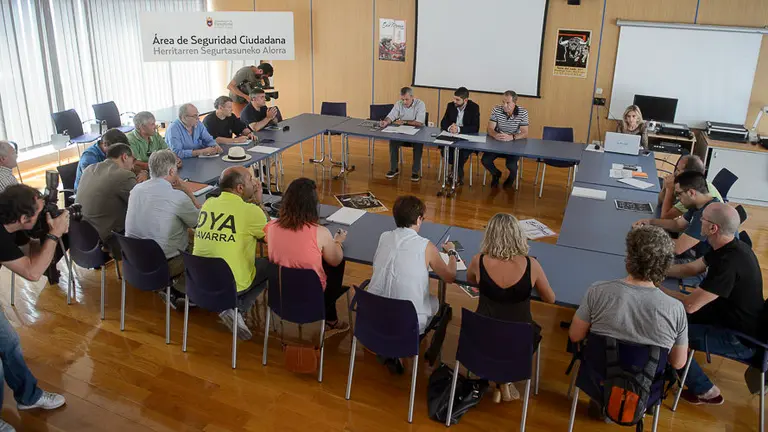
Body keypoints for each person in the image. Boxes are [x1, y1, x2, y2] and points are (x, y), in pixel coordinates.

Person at [569, 225, 689, 416]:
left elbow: (575, 336)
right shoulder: (675, 309)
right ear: (665, 266)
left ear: (628, 260)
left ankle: (605, 402)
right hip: (646, 387)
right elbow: (678, 363)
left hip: (598, 380)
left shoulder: (598, 291)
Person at [665, 203, 764, 405]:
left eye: (704, 219)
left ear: (713, 228)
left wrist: (657, 290)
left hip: (737, 337)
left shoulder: (730, 264)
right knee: (670, 318)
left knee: (666, 334)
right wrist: (655, 269)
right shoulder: (728, 247)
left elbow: (690, 305)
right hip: (724, 316)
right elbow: (691, 268)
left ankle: (705, 391)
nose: (699, 220)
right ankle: (671, 370)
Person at [0, 184, 70, 430]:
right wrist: (54, 235)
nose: (44, 215)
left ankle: (27, 398)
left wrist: (40, 233)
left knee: (9, 344)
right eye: (39, 213)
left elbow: (30, 257)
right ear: (22, 218)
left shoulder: (11, 223)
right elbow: (33, 272)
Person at [466, 213, 555, 402]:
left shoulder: (478, 260)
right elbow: (550, 299)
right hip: (518, 341)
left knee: (495, 335)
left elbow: (470, 279)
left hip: (483, 336)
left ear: (489, 235)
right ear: (518, 236)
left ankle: (499, 381)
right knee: (515, 334)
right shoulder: (532, 264)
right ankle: (503, 381)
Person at [264, 178, 350, 336]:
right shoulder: (320, 232)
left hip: (280, 294)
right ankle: (331, 319)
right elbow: (335, 260)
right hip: (312, 296)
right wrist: (337, 242)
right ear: (313, 205)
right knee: (338, 263)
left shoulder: (271, 228)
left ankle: (331, 318)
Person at [194, 166, 269, 340]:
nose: (255, 182)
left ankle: (231, 309)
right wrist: (258, 202)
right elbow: (270, 233)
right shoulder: (251, 211)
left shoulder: (208, 203)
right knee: (270, 265)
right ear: (240, 188)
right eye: (251, 179)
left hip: (200, 281)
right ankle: (238, 308)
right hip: (229, 283)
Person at [125, 150, 200, 309]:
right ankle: (179, 289)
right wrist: (186, 191)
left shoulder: (135, 190)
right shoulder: (177, 197)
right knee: (204, 246)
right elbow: (199, 222)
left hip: (134, 260)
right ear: (172, 171)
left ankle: (172, 286)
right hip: (163, 264)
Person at [77, 143, 146, 255]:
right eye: (133, 160)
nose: (133, 166)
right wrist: (144, 181)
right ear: (124, 157)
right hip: (108, 239)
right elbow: (143, 204)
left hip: (81, 236)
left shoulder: (90, 169)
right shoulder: (124, 176)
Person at [633, 171, 719, 257]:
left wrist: (645, 238)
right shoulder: (698, 204)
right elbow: (678, 224)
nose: (677, 198)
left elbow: (678, 248)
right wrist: (650, 222)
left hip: (699, 260)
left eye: (679, 194)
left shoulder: (708, 213)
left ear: (691, 193)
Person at [482, 91, 529, 188]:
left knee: (511, 165)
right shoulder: (496, 109)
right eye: (503, 102)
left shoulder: (523, 112)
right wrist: (495, 135)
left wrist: (512, 137)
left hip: (513, 143)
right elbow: (490, 128)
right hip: (498, 142)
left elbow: (525, 132)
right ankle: (496, 174)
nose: (504, 105)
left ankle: (512, 177)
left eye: (508, 103)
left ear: (514, 103)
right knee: (485, 160)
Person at [380, 87, 427, 182]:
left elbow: (419, 122)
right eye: (402, 99)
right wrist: (386, 122)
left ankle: (415, 172)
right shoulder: (399, 103)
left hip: (417, 132)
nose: (404, 102)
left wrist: (404, 121)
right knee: (393, 142)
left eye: (406, 99)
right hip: (402, 132)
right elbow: (391, 116)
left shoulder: (420, 104)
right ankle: (394, 169)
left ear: (412, 97)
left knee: (418, 145)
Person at [658, 155, 722, 220]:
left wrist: (669, 190)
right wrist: (665, 187)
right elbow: (660, 202)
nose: (675, 173)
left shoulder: (690, 193)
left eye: (678, 170)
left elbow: (664, 217)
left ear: (688, 175)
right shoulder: (689, 183)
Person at [439, 87, 480, 184]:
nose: (454, 101)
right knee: (447, 150)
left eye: (457, 100)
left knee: (462, 153)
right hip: (451, 136)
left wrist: (459, 129)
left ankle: (455, 175)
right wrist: (450, 128)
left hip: (466, 138)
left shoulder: (474, 107)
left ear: (465, 100)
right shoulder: (450, 105)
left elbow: (475, 127)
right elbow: (443, 122)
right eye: (454, 98)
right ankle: (455, 175)